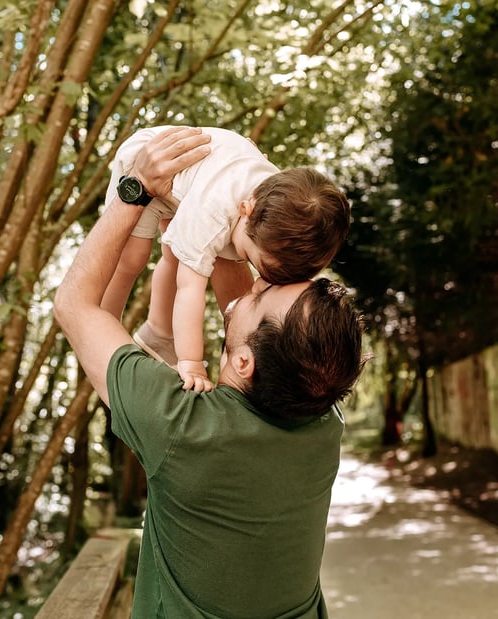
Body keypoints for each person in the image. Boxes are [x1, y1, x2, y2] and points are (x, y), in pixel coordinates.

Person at [54, 126, 366, 618]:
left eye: (261, 292)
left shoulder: (181, 425)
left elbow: (77, 305)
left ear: (245, 363)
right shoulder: (320, 424)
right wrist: (218, 206)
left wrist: (133, 188)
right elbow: (234, 293)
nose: (250, 287)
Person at [100, 126, 351, 392]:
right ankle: (103, 324)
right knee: (132, 258)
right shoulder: (215, 215)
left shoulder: (281, 203)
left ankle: (158, 332)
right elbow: (189, 289)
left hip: (201, 179)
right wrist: (191, 361)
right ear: (246, 210)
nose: (256, 281)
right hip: (151, 161)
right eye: (250, 258)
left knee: (176, 256)